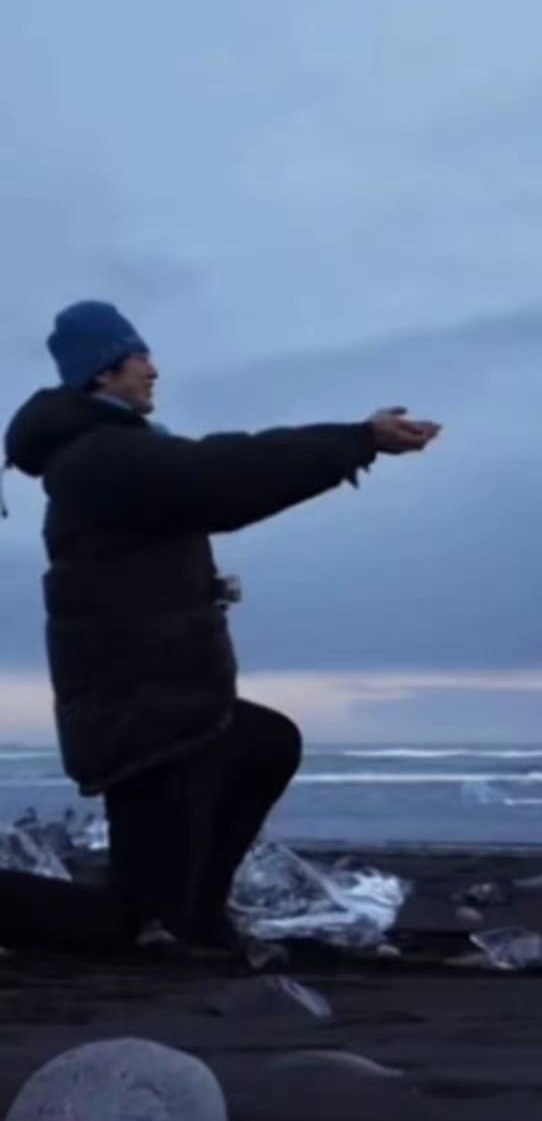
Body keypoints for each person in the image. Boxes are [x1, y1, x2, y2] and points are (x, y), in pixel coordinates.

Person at [3, 300, 440, 955]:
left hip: (167, 702)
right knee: (132, 924)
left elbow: (209, 479)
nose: (153, 368)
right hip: (144, 717)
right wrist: (358, 439)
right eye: (139, 356)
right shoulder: (102, 457)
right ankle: (178, 922)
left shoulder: (108, 453)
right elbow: (226, 475)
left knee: (261, 743)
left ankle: (199, 918)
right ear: (104, 372)